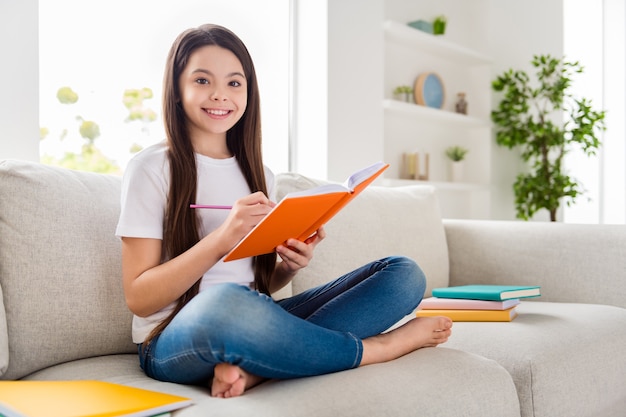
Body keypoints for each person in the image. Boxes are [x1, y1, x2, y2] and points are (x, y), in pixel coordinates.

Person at [116, 23, 452, 399]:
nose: (219, 95)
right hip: (173, 338)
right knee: (227, 303)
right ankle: (379, 349)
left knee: (403, 274)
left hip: (255, 317)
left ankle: (256, 370)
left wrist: (289, 266)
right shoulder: (151, 168)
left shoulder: (259, 175)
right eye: (202, 80)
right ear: (177, 90)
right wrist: (222, 239)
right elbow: (140, 297)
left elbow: (258, 285)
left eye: (233, 83)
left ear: (248, 93)